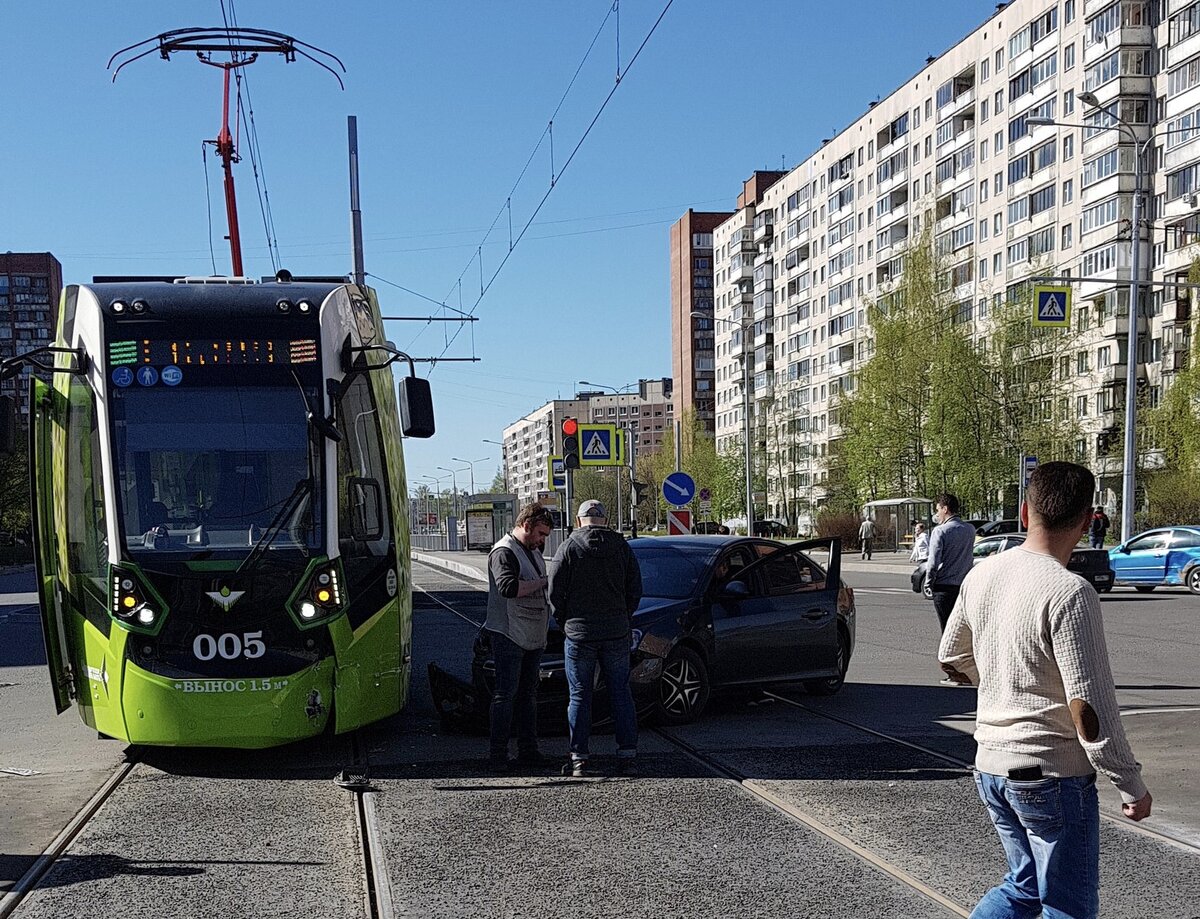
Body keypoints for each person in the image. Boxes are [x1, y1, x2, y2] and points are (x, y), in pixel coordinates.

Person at [938, 462, 1152, 919]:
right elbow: (1089, 705)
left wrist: (1001, 681)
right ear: (1086, 519)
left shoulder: (982, 575)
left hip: (991, 765)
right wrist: (1129, 783)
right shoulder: (1069, 591)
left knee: (1025, 887)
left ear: (1023, 513)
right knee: (1067, 905)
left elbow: (951, 655)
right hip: (1051, 774)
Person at [548, 499, 643, 778]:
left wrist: (564, 620)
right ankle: (628, 756)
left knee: (579, 695)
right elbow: (635, 590)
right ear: (605, 520)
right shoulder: (622, 548)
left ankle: (579, 759)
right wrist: (623, 616)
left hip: (579, 634)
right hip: (615, 632)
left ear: (578, 521)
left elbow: (554, 592)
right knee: (621, 694)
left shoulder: (568, 548)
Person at [482, 502, 555, 773]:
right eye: (540, 534)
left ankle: (528, 751)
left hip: (532, 632)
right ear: (525, 525)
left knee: (528, 696)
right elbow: (508, 588)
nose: (542, 540)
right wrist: (544, 582)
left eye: (545, 535)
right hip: (509, 633)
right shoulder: (504, 551)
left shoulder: (532, 551)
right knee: (505, 695)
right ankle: (498, 755)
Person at [926, 493, 975, 643]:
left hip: (944, 587)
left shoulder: (940, 531)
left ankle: (948, 660)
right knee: (962, 627)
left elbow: (933, 561)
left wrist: (929, 581)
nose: (937, 514)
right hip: (963, 586)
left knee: (947, 628)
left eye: (938, 509)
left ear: (945, 509)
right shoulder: (970, 529)